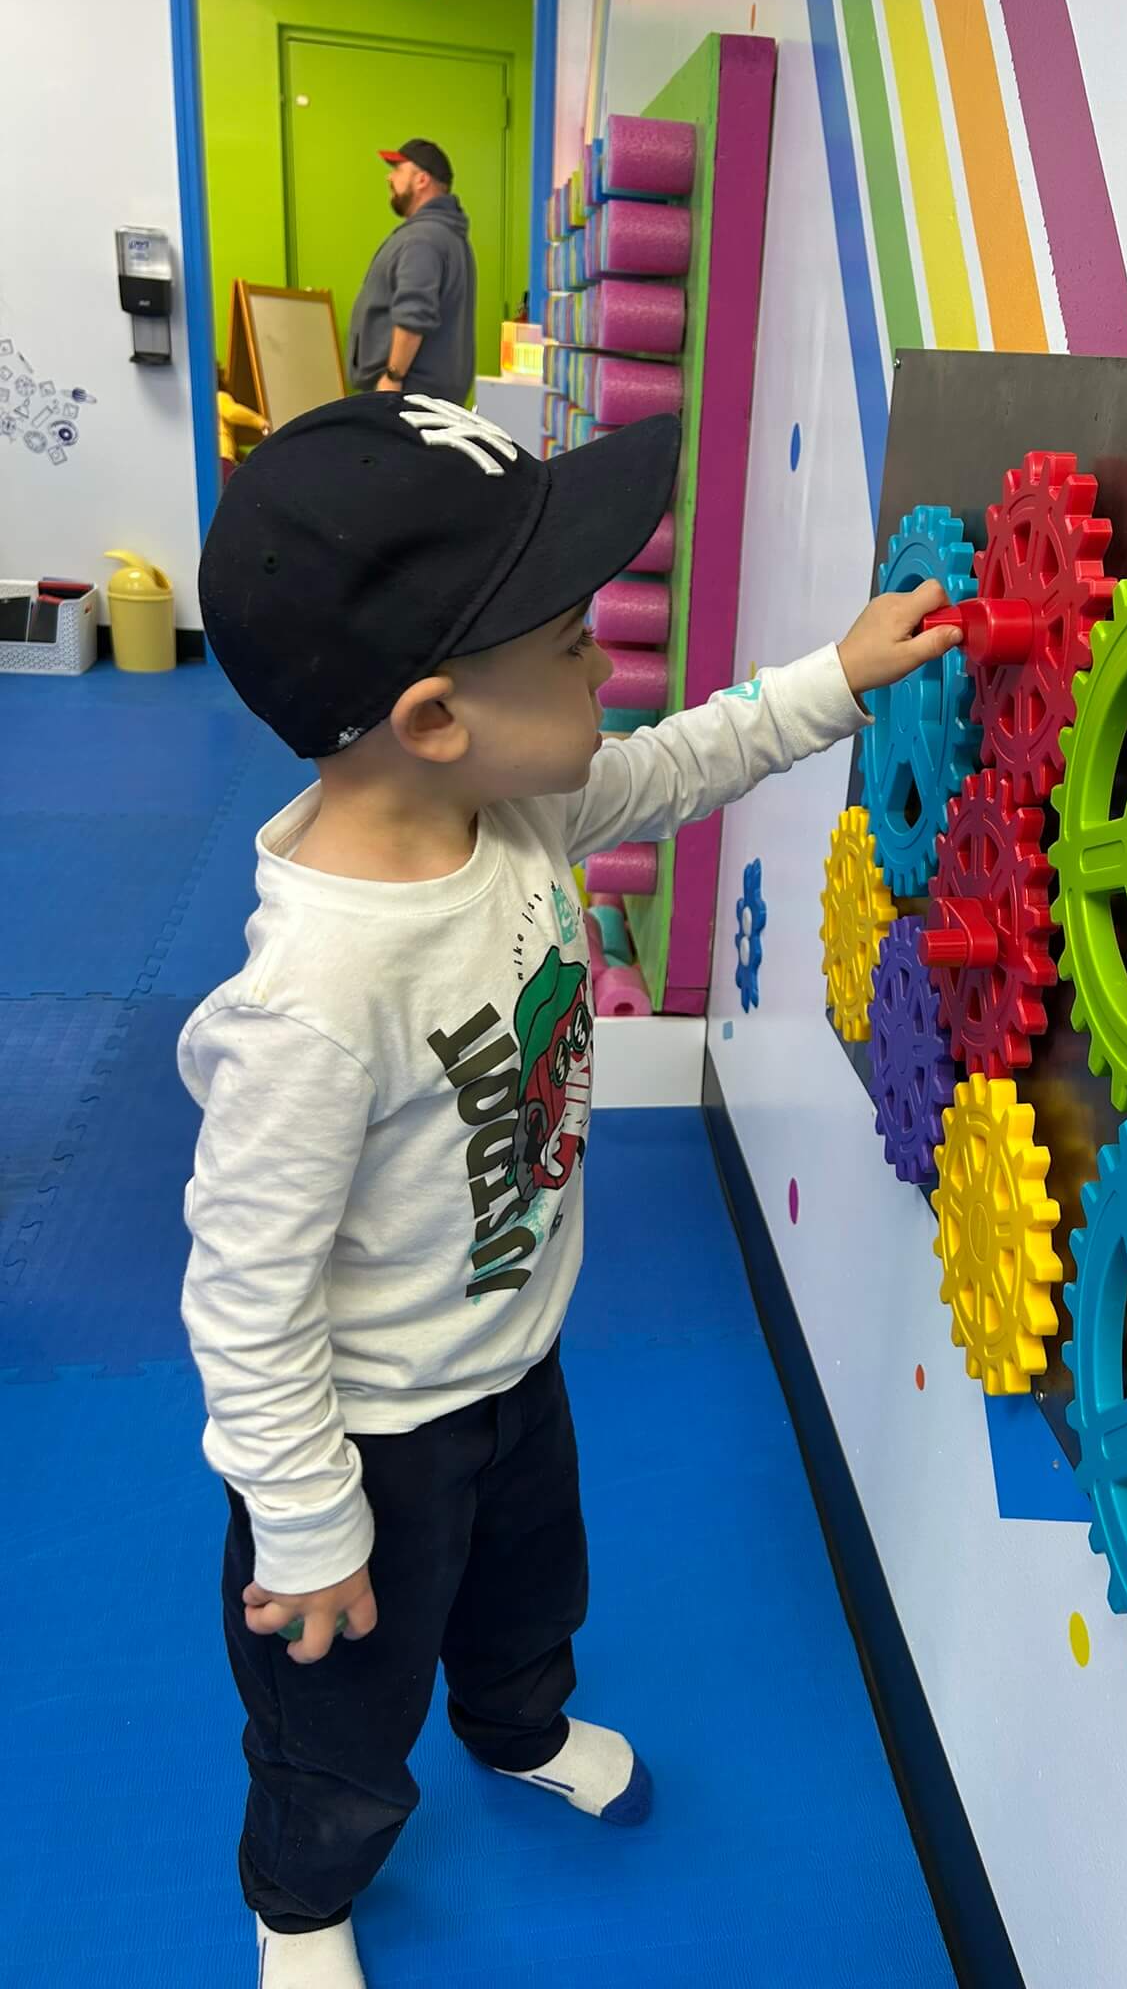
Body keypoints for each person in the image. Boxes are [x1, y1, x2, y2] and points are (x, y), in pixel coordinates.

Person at [185, 390, 963, 1988]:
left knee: (534, 1590)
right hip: (371, 1439)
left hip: (514, 1363)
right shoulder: (313, 1003)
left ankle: (519, 1727)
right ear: (433, 718)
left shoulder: (512, 812)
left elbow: (679, 762)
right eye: (567, 647)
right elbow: (243, 1299)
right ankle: (302, 1896)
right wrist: (310, 1520)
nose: (605, 665)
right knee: (338, 1710)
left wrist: (837, 677)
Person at [346, 139, 476, 400]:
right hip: (425, 399)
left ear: (421, 180)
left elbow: (414, 314)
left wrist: (393, 377)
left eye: (397, 169)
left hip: (406, 397)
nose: (389, 177)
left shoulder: (423, 239)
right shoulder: (447, 235)